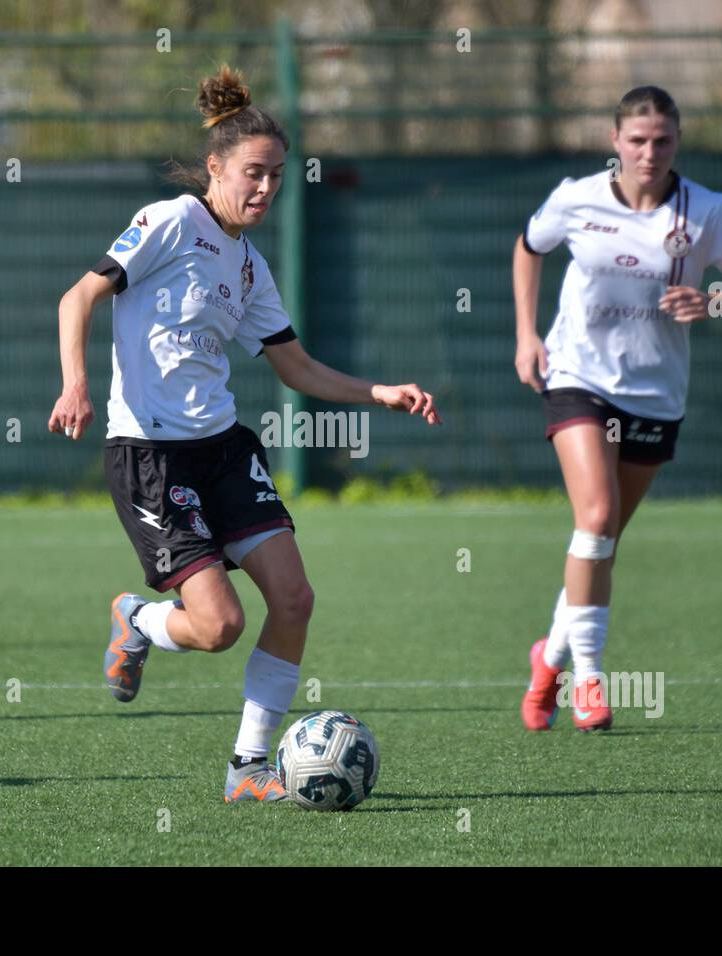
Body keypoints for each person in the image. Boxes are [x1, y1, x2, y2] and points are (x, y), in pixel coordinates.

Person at [49, 66, 441, 801]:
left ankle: (247, 769)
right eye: (253, 174)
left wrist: (377, 391)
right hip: (153, 457)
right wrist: (74, 383)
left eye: (278, 177)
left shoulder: (251, 266)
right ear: (216, 168)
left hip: (224, 450)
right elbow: (80, 296)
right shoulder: (169, 222)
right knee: (220, 625)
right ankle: (138, 619)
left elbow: (295, 367)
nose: (265, 189)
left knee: (294, 599)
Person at [512, 86, 722, 732]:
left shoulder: (706, 211)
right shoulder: (576, 198)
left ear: (677, 143)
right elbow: (529, 247)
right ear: (615, 142)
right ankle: (590, 680)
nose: (649, 152)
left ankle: (547, 658)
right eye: (637, 140)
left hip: (656, 393)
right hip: (577, 374)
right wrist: (526, 334)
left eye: (662, 140)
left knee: (600, 541)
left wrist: (714, 304)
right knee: (598, 515)